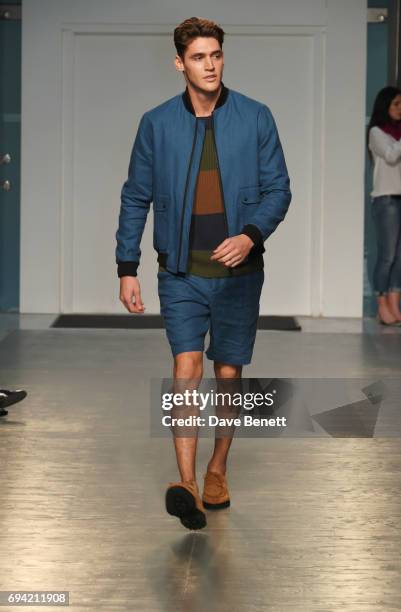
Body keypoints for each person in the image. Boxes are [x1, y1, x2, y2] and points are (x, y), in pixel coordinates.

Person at [115, 17, 292, 530]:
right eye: (198, 57)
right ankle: (187, 483)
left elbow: (279, 189)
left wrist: (250, 235)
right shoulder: (157, 122)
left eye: (216, 55)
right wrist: (128, 267)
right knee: (186, 369)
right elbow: (135, 196)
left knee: (229, 375)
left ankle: (218, 468)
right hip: (180, 271)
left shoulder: (256, 117)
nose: (210, 65)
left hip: (239, 272)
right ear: (180, 63)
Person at [367, 86, 401, 326]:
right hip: (385, 199)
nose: (400, 109)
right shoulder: (377, 132)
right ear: (386, 106)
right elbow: (390, 155)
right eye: (396, 104)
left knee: (399, 257)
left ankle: (394, 305)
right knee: (387, 255)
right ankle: (382, 306)